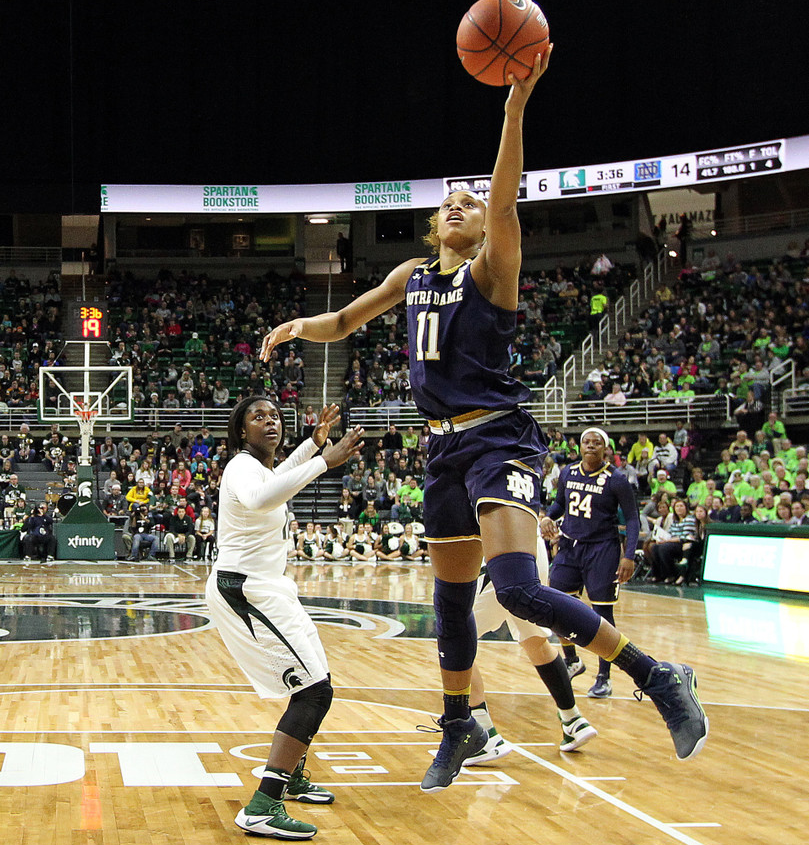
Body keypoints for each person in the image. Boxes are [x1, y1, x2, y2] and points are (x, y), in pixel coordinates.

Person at [262, 48, 707, 792]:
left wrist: (512, 108)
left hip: (498, 434)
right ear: (436, 226)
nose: (463, 205)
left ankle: (658, 677)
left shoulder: (492, 269)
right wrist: (296, 328)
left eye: (470, 200)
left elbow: (504, 202)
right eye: (451, 203)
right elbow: (343, 319)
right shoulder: (410, 276)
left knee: (516, 589)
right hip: (441, 450)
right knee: (447, 605)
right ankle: (459, 725)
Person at [205, 397, 363, 840]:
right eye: (258, 416)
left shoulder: (260, 467)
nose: (269, 420)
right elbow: (260, 497)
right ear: (241, 432)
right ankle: (263, 804)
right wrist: (322, 463)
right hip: (245, 587)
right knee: (314, 692)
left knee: (318, 678)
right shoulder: (240, 467)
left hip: (270, 586)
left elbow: (275, 481)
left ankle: (289, 775)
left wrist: (311, 446)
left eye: (274, 415)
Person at [467, 532, 597, 763]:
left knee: (454, 639)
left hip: (500, 550)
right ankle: (573, 720)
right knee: (533, 638)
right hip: (531, 545)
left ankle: (483, 737)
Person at [543, 428, 639, 699]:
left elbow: (632, 519)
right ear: (580, 446)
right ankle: (572, 660)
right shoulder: (568, 473)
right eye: (587, 442)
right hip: (570, 548)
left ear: (605, 449)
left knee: (603, 616)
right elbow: (559, 505)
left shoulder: (616, 479)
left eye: (597, 443)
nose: (591, 446)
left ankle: (604, 677)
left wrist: (628, 555)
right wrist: (547, 517)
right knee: (556, 606)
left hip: (602, 550)